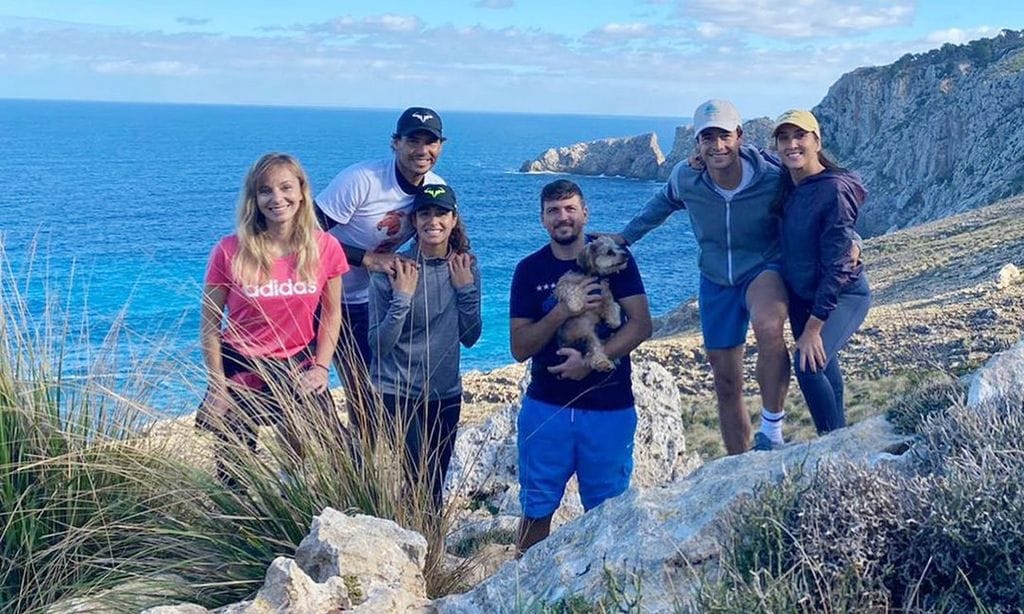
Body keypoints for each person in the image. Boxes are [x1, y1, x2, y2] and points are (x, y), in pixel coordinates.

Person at [615, 99, 791, 454]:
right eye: (707, 138)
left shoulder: (771, 177)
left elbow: (816, 197)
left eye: (724, 136)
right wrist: (624, 238)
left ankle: (771, 431)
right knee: (726, 380)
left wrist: (848, 238)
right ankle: (738, 462)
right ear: (698, 144)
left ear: (739, 136)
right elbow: (660, 205)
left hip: (762, 268)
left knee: (769, 325)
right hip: (715, 279)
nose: (717, 145)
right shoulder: (687, 177)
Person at [510, 179, 652, 554]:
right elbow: (520, 348)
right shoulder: (528, 270)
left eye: (571, 208)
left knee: (608, 512)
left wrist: (590, 363)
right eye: (554, 211)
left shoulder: (618, 260)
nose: (563, 217)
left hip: (609, 407)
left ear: (585, 213)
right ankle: (522, 590)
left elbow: (641, 324)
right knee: (535, 510)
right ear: (542, 219)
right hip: (546, 408)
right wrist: (562, 311)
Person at [197, 153, 349, 485]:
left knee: (338, 449)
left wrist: (322, 367)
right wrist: (217, 386)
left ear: (302, 192)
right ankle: (235, 527)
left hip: (298, 366)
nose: (276, 198)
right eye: (265, 190)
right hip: (242, 368)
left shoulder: (326, 247)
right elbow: (210, 325)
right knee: (232, 471)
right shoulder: (228, 251)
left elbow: (332, 312)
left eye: (285, 187)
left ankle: (293, 495)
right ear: (254, 198)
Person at [314, 107, 446, 432]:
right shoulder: (362, 181)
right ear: (395, 143)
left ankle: (361, 469)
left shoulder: (434, 189)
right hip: (315, 297)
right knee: (308, 396)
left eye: (431, 142)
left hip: (364, 303)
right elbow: (303, 237)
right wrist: (368, 260)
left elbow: (442, 236)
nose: (422, 150)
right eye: (413, 140)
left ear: (441, 145)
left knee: (368, 395)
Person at [367, 184, 481, 509]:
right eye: (425, 213)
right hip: (398, 394)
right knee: (422, 481)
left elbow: (471, 337)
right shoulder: (393, 270)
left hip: (445, 394)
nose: (434, 220)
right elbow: (379, 345)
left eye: (441, 212)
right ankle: (422, 553)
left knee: (432, 486)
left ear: (454, 218)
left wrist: (466, 290)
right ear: (414, 220)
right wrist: (402, 297)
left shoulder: (465, 267)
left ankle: (423, 551)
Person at [772, 109, 870, 434]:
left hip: (841, 295)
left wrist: (814, 326)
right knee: (825, 368)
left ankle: (833, 445)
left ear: (817, 141)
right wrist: (698, 156)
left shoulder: (834, 189)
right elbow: (740, 155)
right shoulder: (789, 179)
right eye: (784, 138)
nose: (792, 144)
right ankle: (841, 439)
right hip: (803, 296)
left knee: (808, 366)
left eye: (800, 136)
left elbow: (841, 263)